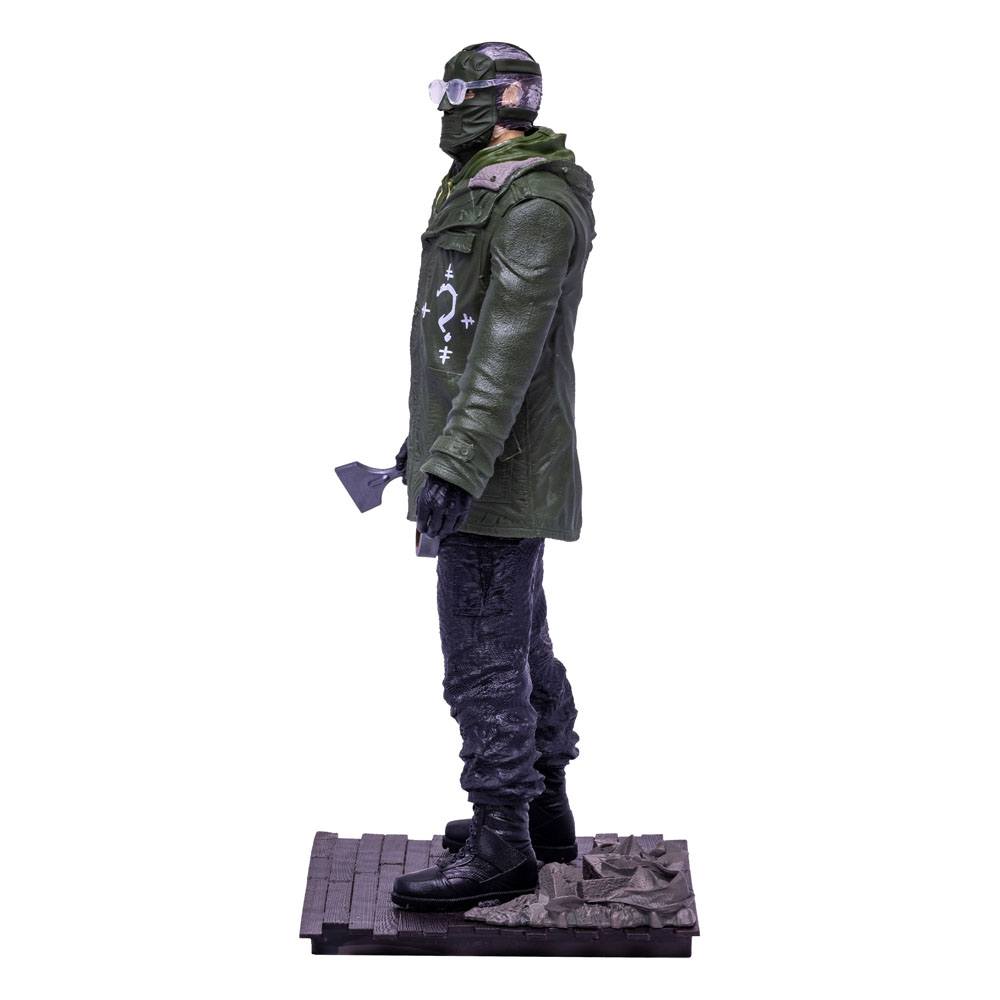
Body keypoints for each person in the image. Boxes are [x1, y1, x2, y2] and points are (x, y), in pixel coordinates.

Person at [390, 41, 597, 912]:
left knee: (481, 658)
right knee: (520, 645)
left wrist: (458, 460)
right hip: (483, 461)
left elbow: (510, 349)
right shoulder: (485, 184)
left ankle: (505, 840)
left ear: (501, 98)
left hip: (495, 474)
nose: (447, 107)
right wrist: (427, 443)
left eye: (458, 90)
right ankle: (543, 815)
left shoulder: (532, 200)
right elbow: (461, 340)